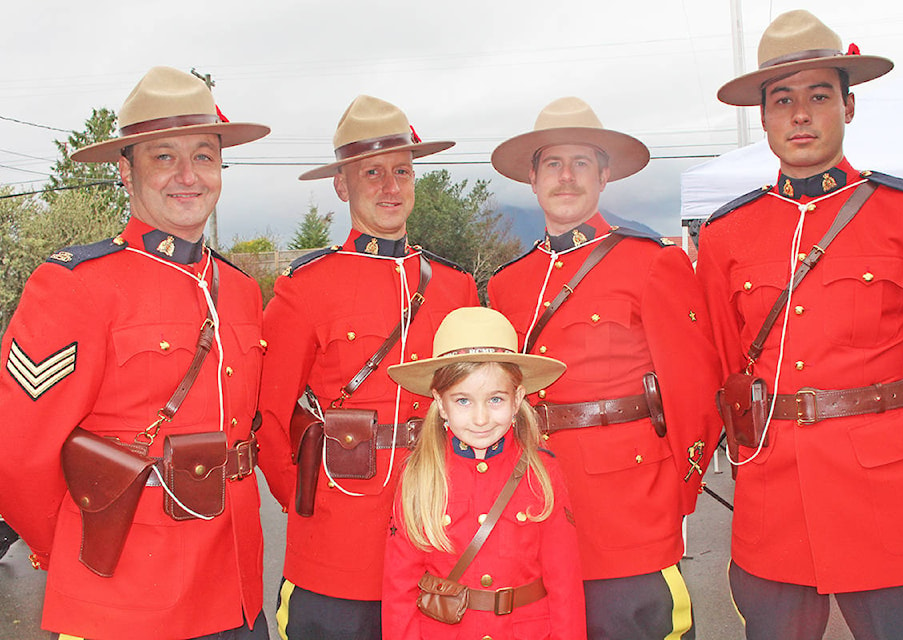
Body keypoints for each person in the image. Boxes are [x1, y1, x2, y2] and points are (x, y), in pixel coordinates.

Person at [696, 10, 903, 639]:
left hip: (891, 496)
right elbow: (722, 361)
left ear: (848, 105)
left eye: (819, 96)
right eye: (782, 100)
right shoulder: (727, 234)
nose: (801, 115)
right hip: (774, 495)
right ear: (762, 117)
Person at [0, 66, 271, 639]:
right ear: (125, 171)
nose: (188, 176)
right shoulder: (74, 285)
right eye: (163, 157)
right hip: (125, 596)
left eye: (203, 155)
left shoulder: (241, 290)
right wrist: (79, 546)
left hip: (235, 587)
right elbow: (19, 455)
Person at [487, 97, 723, 639]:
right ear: (532, 177)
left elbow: (695, 396)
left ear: (604, 175)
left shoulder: (652, 262)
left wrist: (672, 501)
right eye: (552, 163)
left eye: (581, 163)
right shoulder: (508, 284)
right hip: (533, 508)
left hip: (629, 514)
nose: (566, 177)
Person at [256, 95, 480, 639]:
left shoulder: (455, 287)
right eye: (371, 172)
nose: (390, 187)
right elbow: (265, 415)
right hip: (337, 544)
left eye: (402, 171)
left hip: (438, 528)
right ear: (341, 185)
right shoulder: (304, 289)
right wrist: (313, 497)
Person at [381, 306, 586, 639]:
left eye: (495, 399)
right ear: (440, 402)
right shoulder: (419, 476)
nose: (480, 419)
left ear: (518, 398)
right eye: (463, 400)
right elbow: (398, 589)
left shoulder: (543, 472)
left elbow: (565, 585)